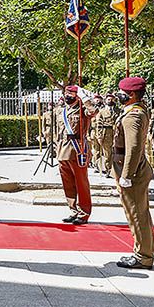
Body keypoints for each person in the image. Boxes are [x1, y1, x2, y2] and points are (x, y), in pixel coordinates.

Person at [112, 77, 154, 270]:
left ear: (131, 95)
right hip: (132, 168)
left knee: (136, 214)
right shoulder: (135, 111)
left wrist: (126, 175)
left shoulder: (133, 116)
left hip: (133, 172)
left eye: (121, 92)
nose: (118, 94)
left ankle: (143, 256)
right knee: (140, 213)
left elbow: (134, 148)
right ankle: (145, 250)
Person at [57, 85, 97, 225]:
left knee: (81, 183)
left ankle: (84, 212)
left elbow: (93, 111)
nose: (67, 96)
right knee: (68, 183)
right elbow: (59, 132)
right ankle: (73, 210)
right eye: (66, 93)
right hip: (63, 150)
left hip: (77, 149)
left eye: (71, 94)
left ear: (76, 95)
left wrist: (84, 98)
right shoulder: (61, 110)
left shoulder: (82, 109)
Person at [96, 93, 120, 177]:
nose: (110, 101)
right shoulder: (102, 112)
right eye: (109, 99)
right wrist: (99, 136)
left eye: (112, 99)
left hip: (116, 133)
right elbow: (98, 124)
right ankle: (108, 169)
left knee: (116, 152)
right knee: (107, 153)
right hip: (106, 133)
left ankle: (116, 170)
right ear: (106, 101)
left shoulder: (118, 110)